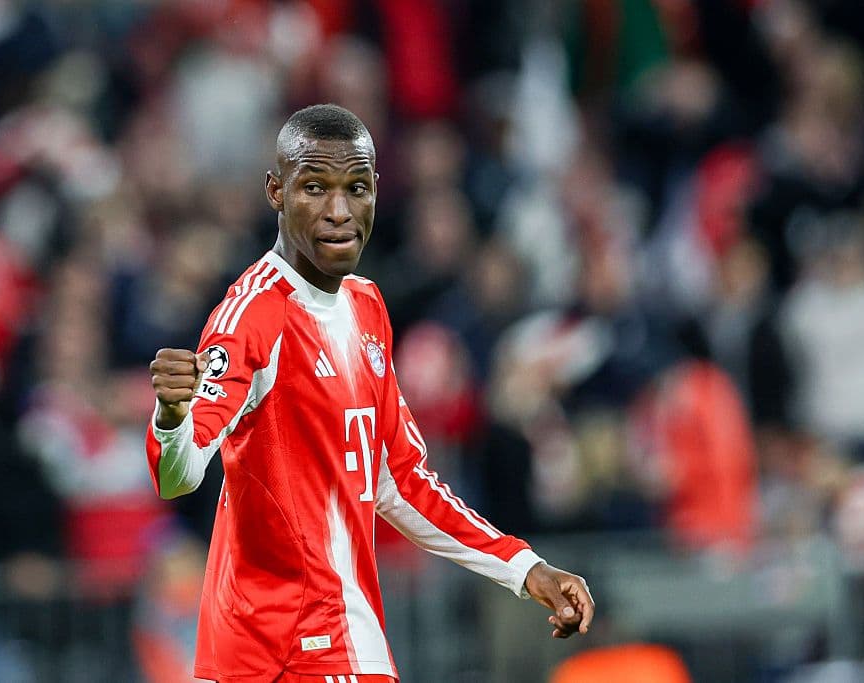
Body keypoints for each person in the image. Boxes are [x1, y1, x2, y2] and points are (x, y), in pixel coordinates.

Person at [145, 104, 594, 683]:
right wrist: (172, 415)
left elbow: (400, 479)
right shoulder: (252, 316)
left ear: (376, 191)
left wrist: (523, 568)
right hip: (285, 649)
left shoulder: (366, 306)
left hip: (339, 639)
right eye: (314, 188)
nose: (338, 211)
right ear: (276, 191)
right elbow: (179, 475)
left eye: (355, 188)